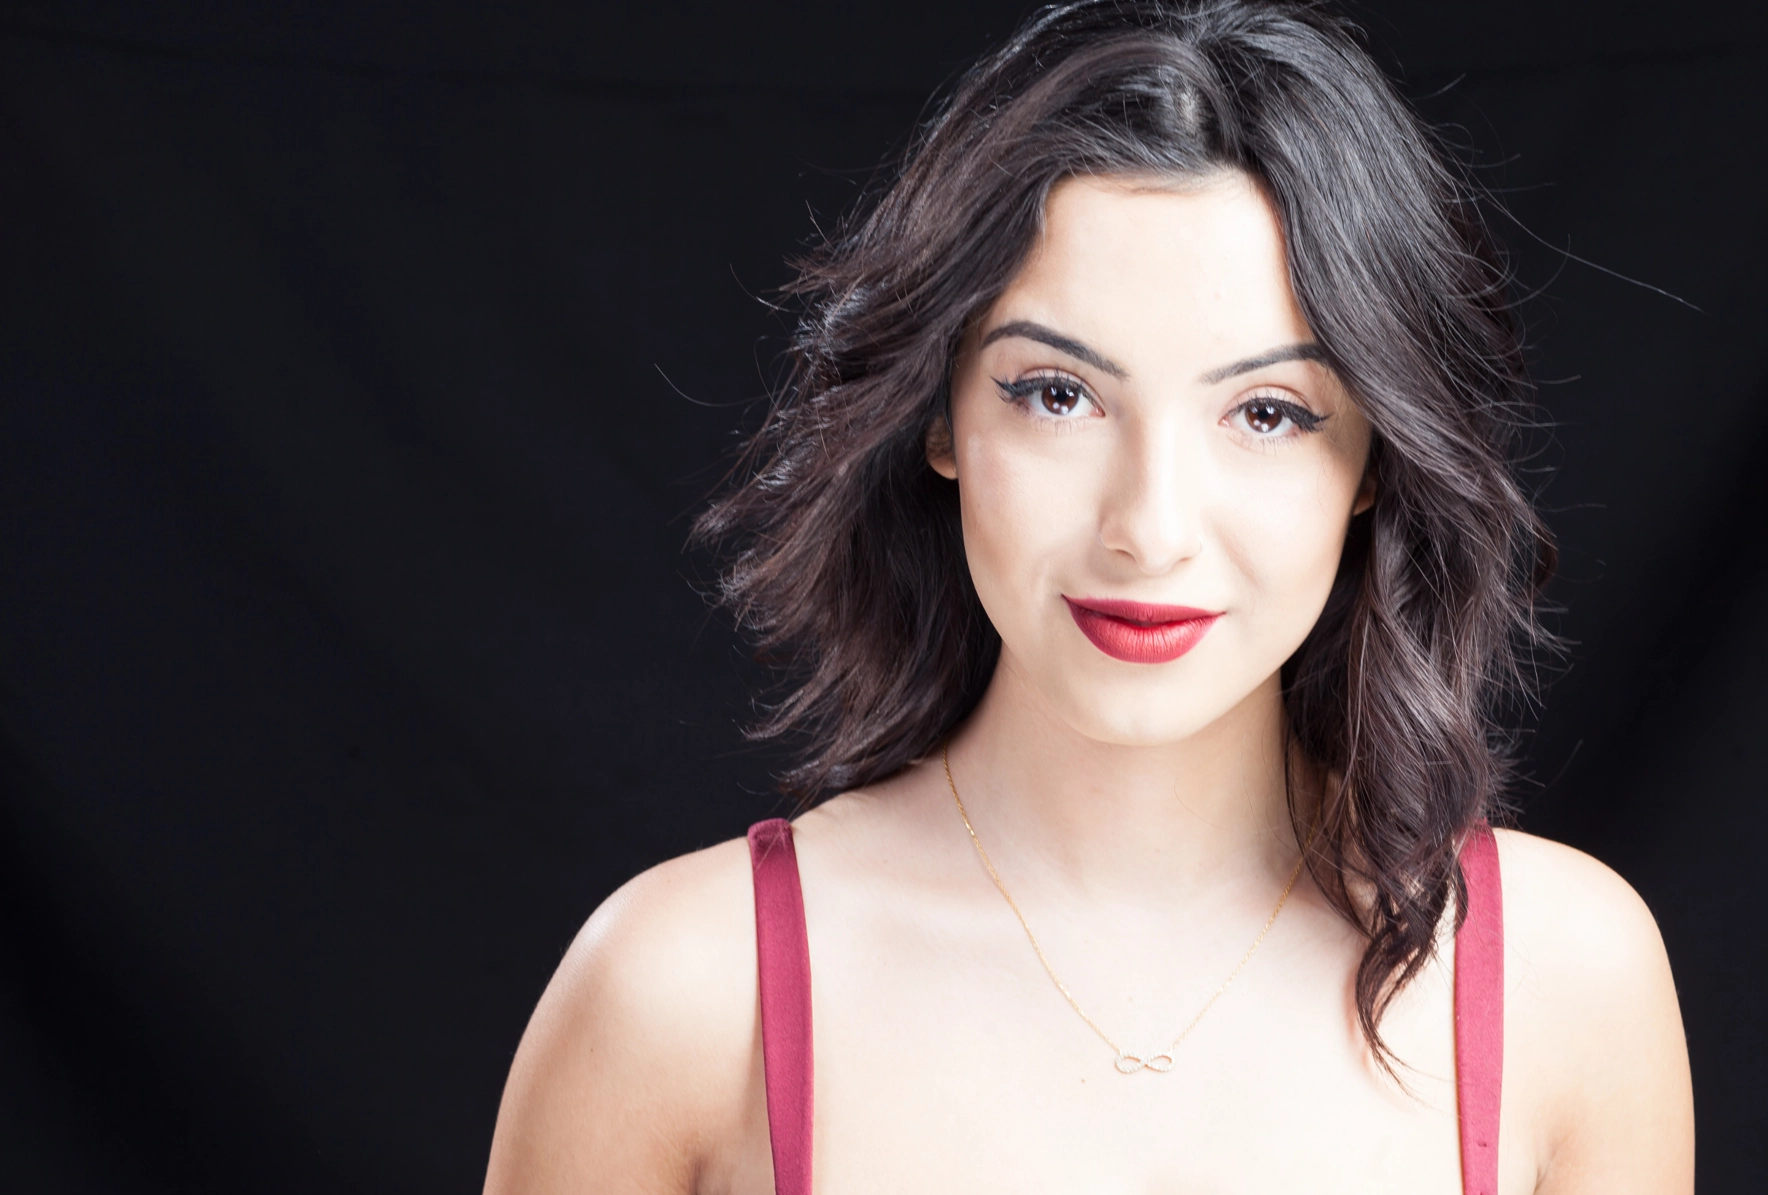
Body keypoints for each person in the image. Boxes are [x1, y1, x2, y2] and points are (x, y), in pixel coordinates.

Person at [481, 1, 1693, 1191]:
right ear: (940, 416)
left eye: (1265, 413)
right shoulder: (686, 994)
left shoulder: (1560, 983)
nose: (1148, 530)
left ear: (1373, 459)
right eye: (1057, 393)